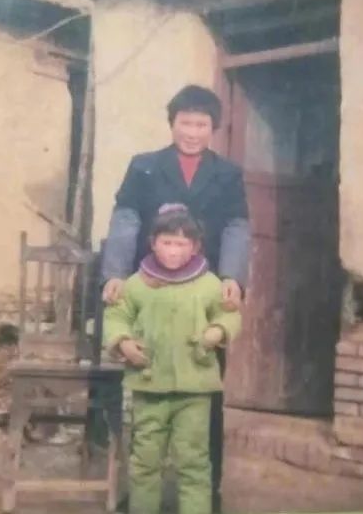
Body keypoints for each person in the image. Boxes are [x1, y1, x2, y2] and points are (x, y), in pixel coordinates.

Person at [101, 84, 250, 511]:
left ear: (213, 128)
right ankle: (141, 492)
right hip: (152, 290)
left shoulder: (227, 174)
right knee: (145, 392)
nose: (192, 132)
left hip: (201, 293)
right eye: (185, 122)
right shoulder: (145, 167)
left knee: (205, 395)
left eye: (201, 124)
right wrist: (115, 274)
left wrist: (232, 277)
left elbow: (237, 227)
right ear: (172, 124)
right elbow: (126, 219)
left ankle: (207, 492)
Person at [104, 205, 241, 514]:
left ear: (195, 247)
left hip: (195, 388)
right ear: (153, 243)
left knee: (194, 461)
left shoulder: (209, 284)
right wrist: (123, 342)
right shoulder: (137, 284)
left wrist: (217, 331)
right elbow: (116, 317)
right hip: (149, 385)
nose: (173, 251)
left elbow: (229, 315)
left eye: (181, 244)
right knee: (145, 461)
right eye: (167, 242)